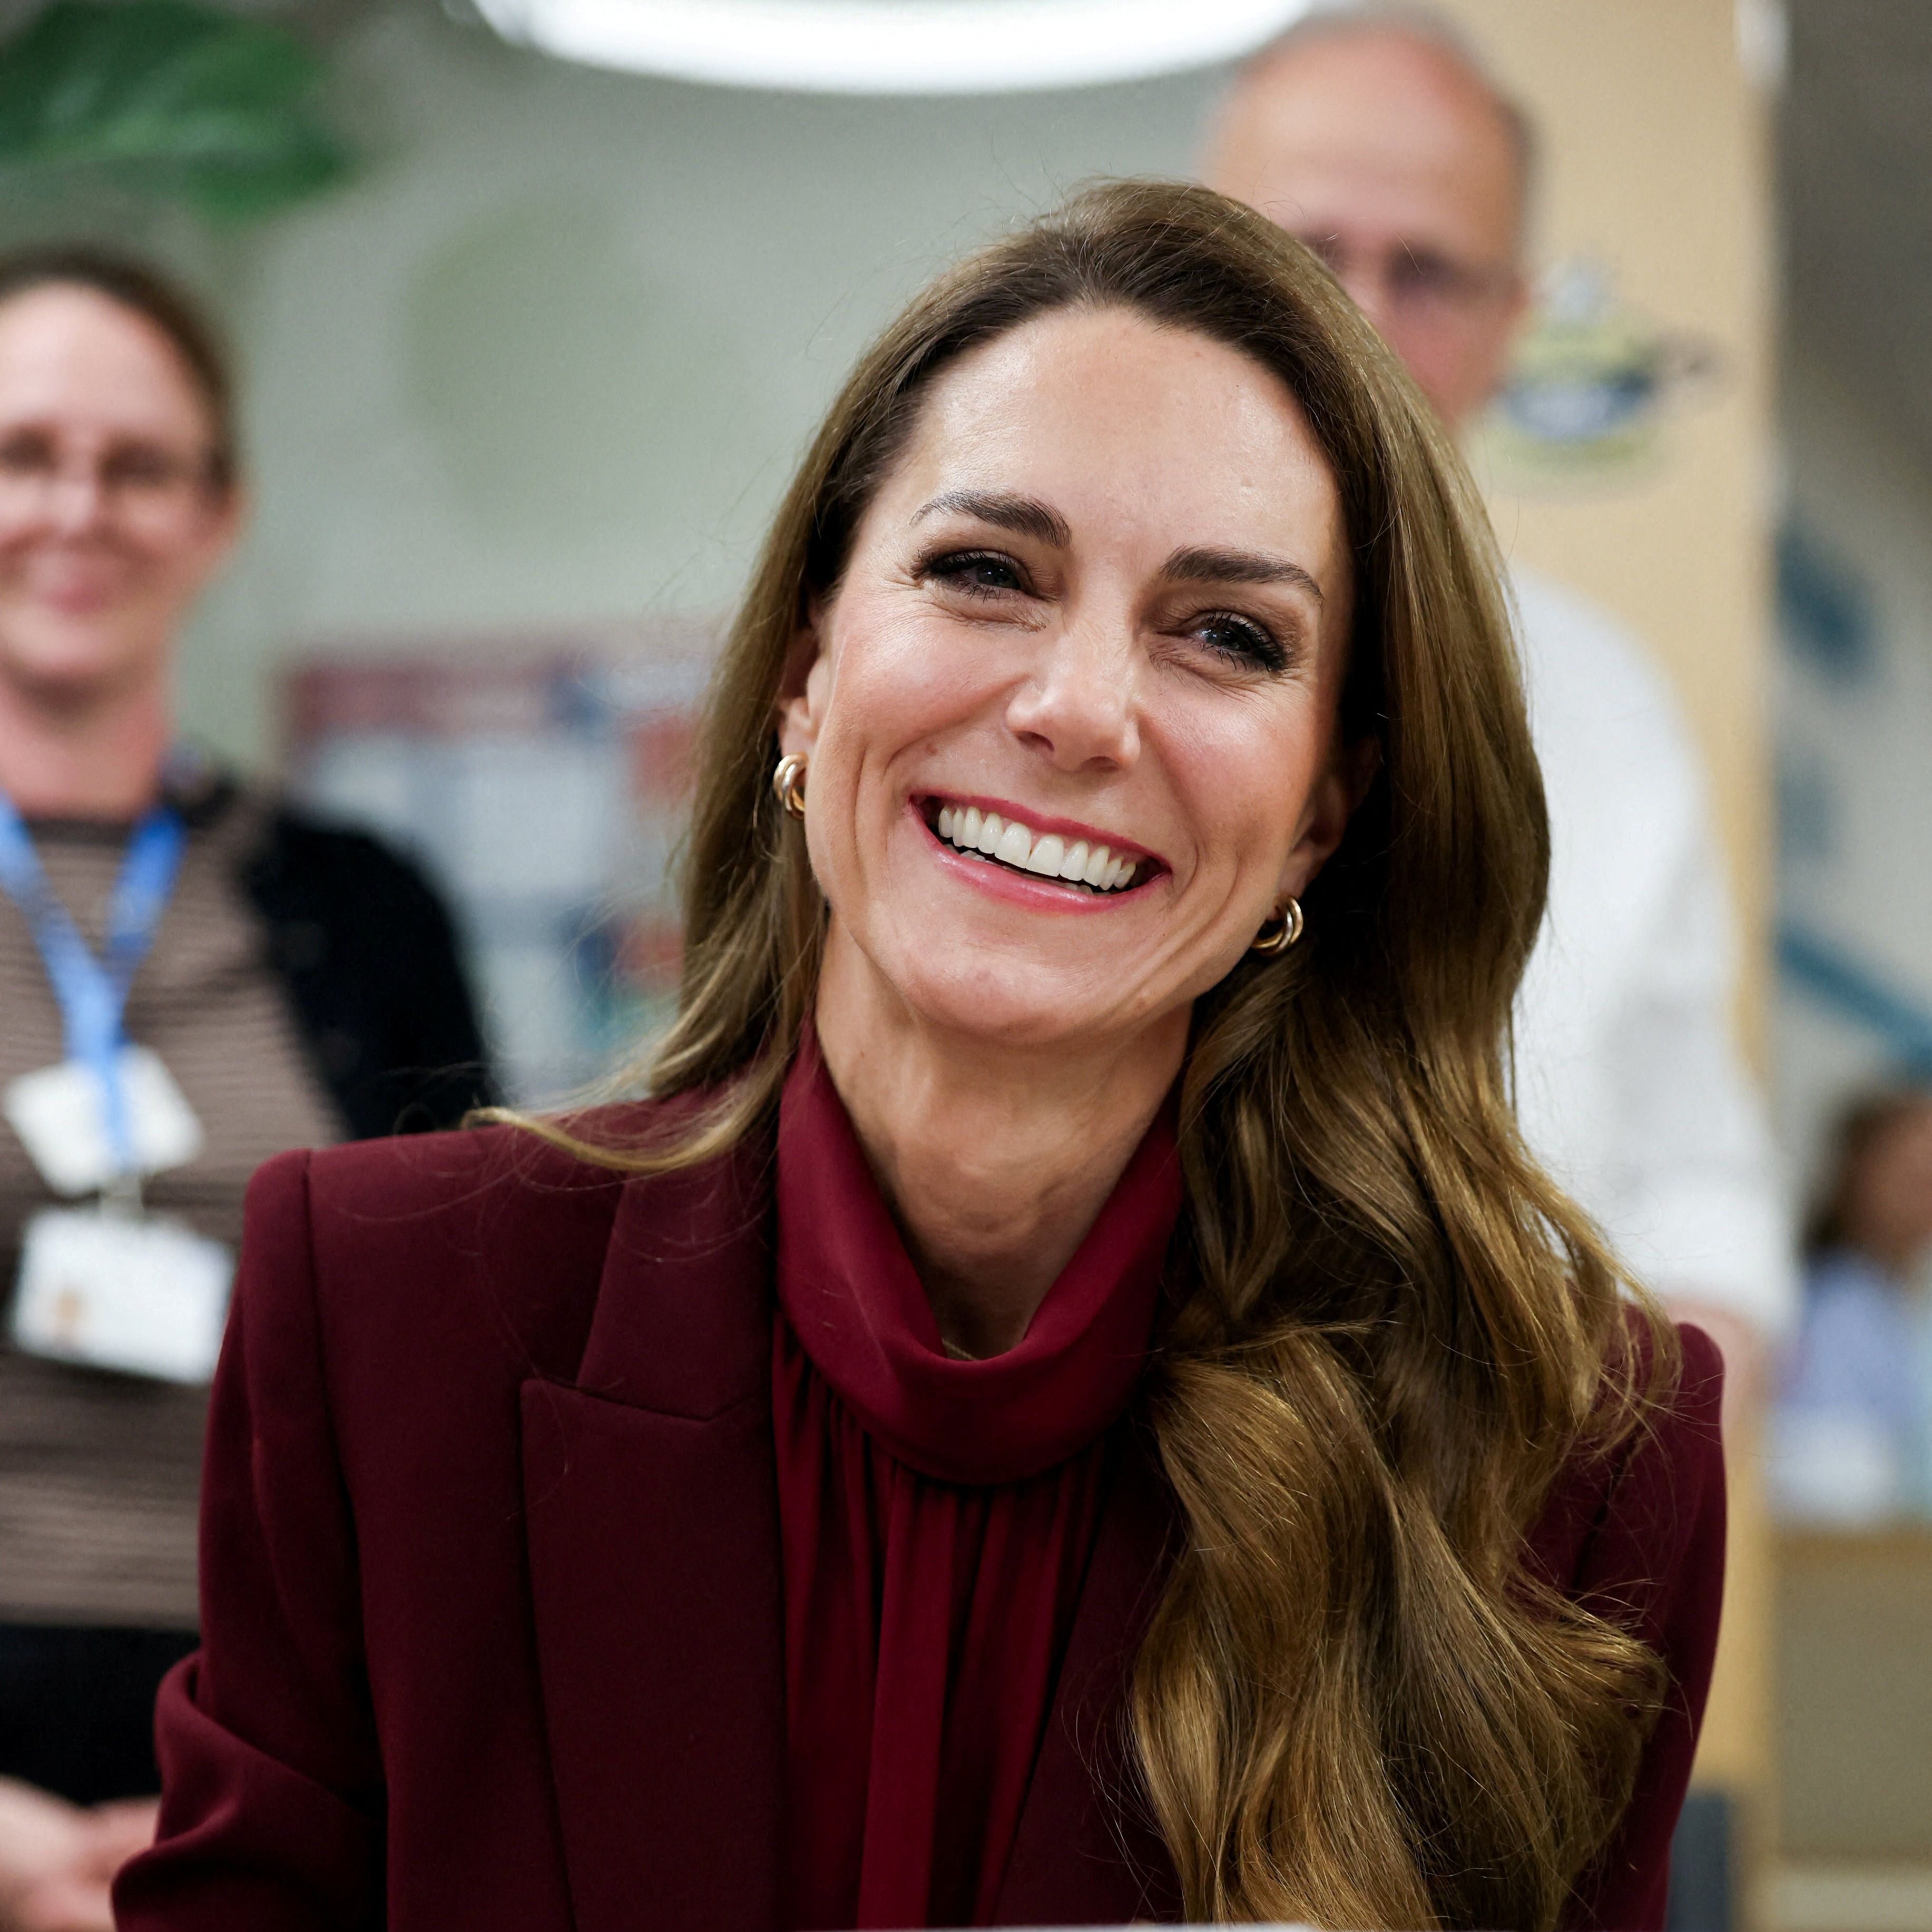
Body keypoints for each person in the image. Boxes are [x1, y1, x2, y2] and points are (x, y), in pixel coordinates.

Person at [116, 183, 1723, 1932]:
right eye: (984, 573)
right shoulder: (384, 1313)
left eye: (1226, 633)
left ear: (1326, 811)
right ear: (805, 672)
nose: (1075, 707)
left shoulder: (1569, 1456)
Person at [1201, 6, 1796, 1414]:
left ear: (1509, 324)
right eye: (1304, 251)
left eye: (1424, 272)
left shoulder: (1606, 713)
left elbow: (1697, 1184)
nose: (1356, 315)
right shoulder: (1047, 674)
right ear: (1199, 262)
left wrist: (1618, 1467)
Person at [0, 248, 494, 1931]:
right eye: (24, 454)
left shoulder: (367, 907)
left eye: (138, 466)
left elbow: (460, 1391)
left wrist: (252, 1809)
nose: (79, 510)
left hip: (282, 1746)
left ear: (219, 516)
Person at [1773, 1087, 1932, 1522]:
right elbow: (1834, 1487)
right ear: (1854, 1175)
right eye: (1913, 1176)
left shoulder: (1901, 1305)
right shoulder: (1833, 1313)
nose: (1925, 1195)